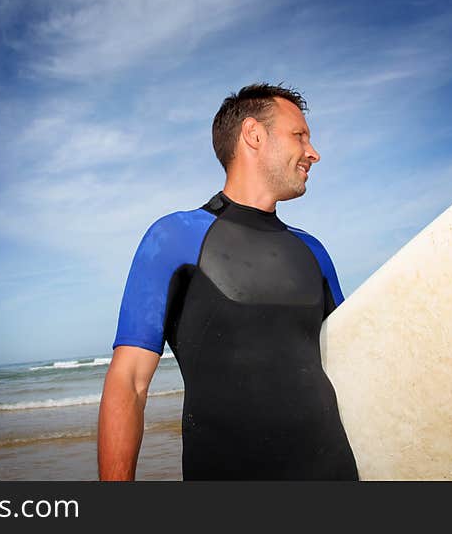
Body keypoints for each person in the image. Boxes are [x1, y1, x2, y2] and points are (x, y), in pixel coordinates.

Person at [97, 83, 358, 480]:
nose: (313, 152)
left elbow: (355, 364)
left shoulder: (313, 251)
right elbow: (129, 382)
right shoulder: (175, 238)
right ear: (254, 135)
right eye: (299, 135)